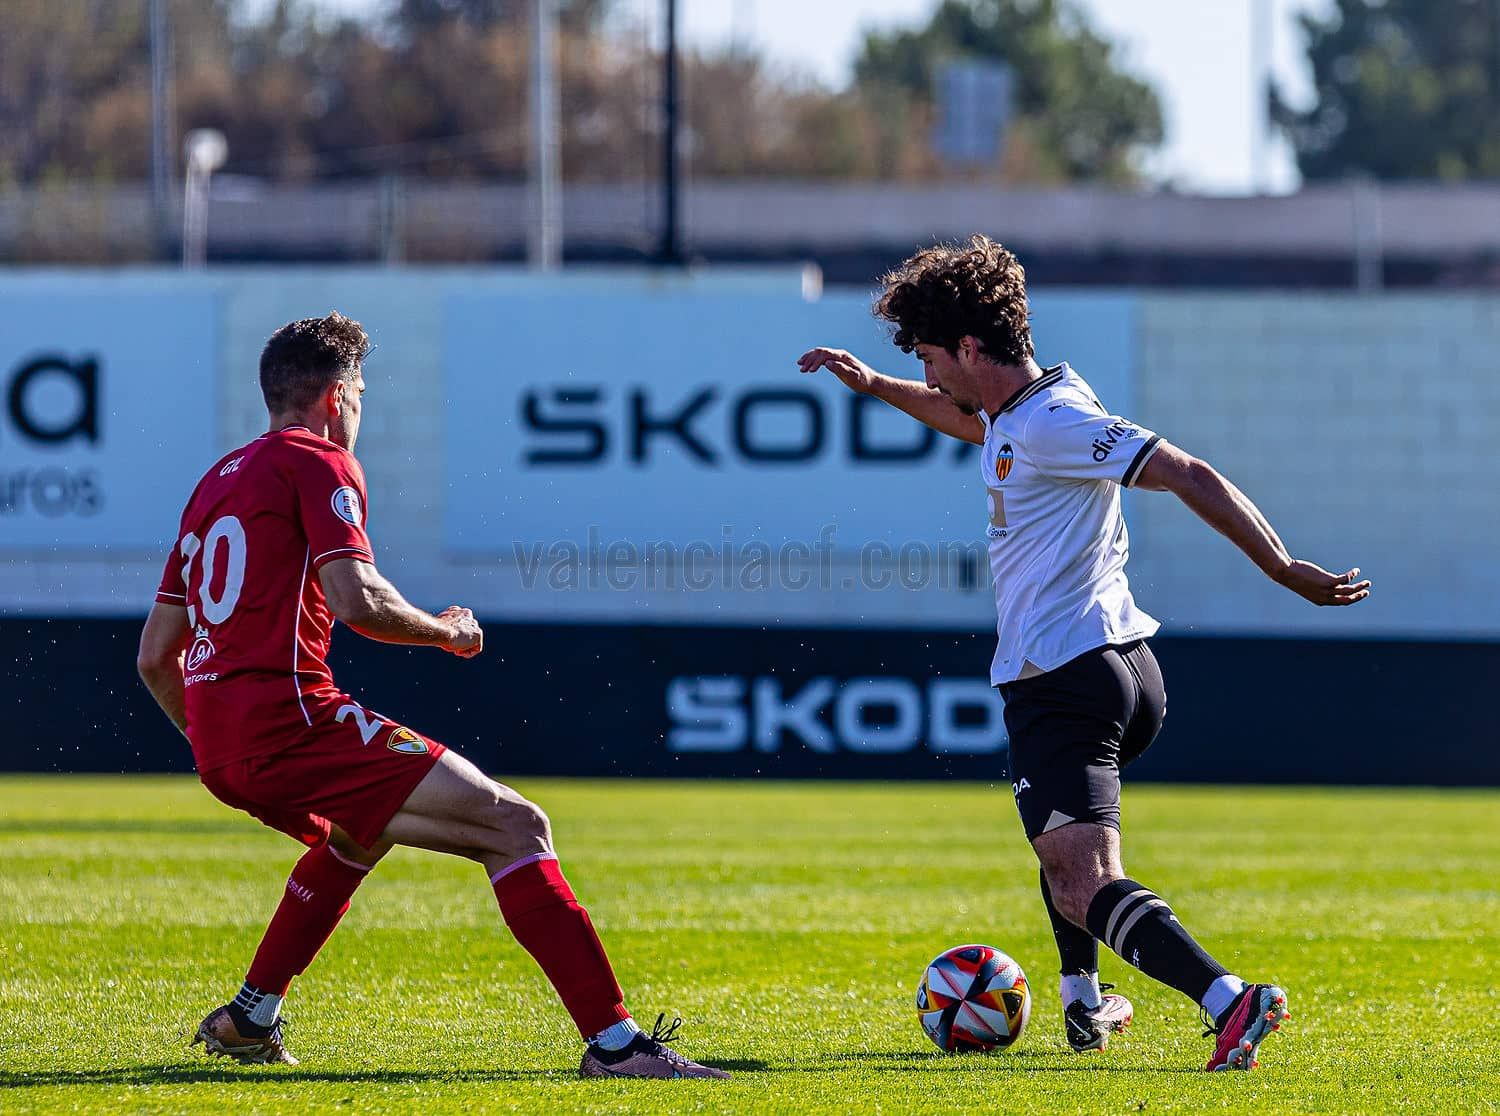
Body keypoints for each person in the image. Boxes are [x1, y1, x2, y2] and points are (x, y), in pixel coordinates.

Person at [797, 236, 1368, 1071]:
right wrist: (873, 384)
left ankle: (1230, 1000)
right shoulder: (1023, 410)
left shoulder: (1055, 422)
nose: (926, 377)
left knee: (1079, 877)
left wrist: (1282, 567)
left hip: (1065, 675)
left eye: (927, 358)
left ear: (967, 346)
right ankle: (1084, 1004)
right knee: (1061, 845)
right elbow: (964, 420)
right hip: (1117, 668)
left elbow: (1184, 469)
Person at [136, 312, 726, 1080]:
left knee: (357, 835)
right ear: (339, 394)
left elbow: (156, 657)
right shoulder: (319, 464)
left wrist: (215, 738)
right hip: (290, 720)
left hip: (222, 743)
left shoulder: (215, 482)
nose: (359, 410)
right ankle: (616, 1048)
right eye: (361, 394)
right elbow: (357, 599)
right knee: (517, 825)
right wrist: (444, 631)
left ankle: (250, 1017)